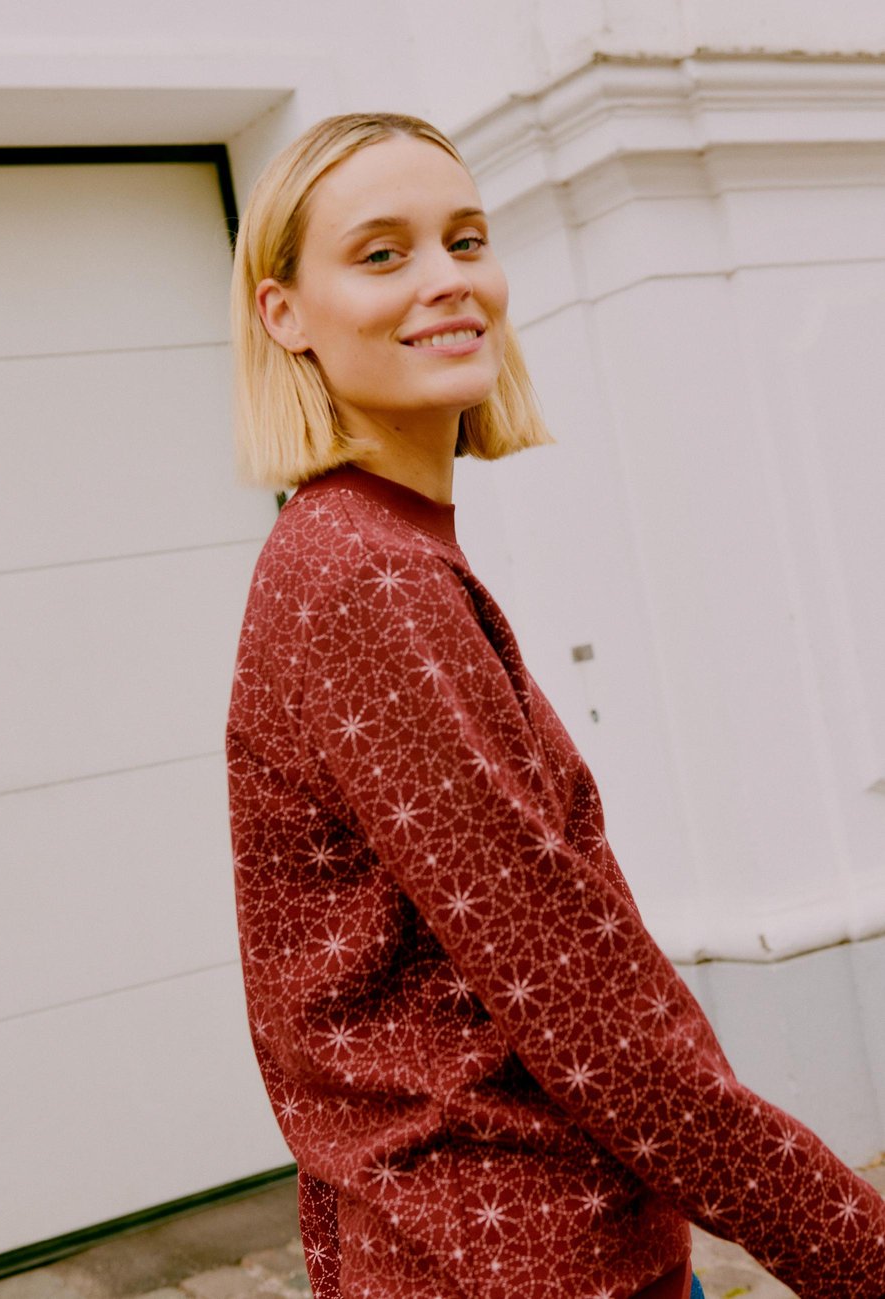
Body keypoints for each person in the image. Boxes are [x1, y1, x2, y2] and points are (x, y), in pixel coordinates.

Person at [226, 112, 885, 1299]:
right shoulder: (370, 578)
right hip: (516, 1256)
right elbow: (588, 1012)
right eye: (382, 254)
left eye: (467, 239)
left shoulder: (369, 548)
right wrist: (860, 1253)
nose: (447, 279)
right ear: (285, 314)